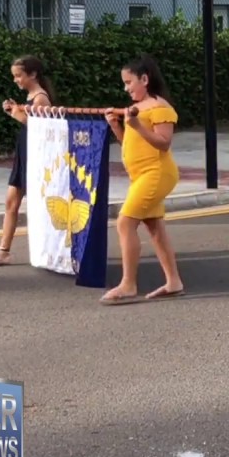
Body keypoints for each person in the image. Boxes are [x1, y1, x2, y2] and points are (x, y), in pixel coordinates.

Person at [101, 55, 184, 304]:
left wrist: (136, 125)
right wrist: (117, 127)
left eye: (129, 82)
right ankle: (173, 282)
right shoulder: (139, 108)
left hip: (156, 173)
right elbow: (130, 143)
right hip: (140, 175)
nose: (126, 88)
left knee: (125, 223)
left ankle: (128, 284)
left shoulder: (160, 107)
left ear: (145, 79)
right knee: (154, 226)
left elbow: (163, 143)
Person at [0, 55, 53, 268]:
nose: (16, 80)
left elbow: (44, 128)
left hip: (35, 155)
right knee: (11, 202)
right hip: (24, 152)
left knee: (43, 205)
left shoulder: (41, 98)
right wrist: (15, 109)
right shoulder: (31, 96)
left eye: (19, 75)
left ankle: (55, 248)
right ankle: (3, 252)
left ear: (33, 74)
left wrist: (16, 115)